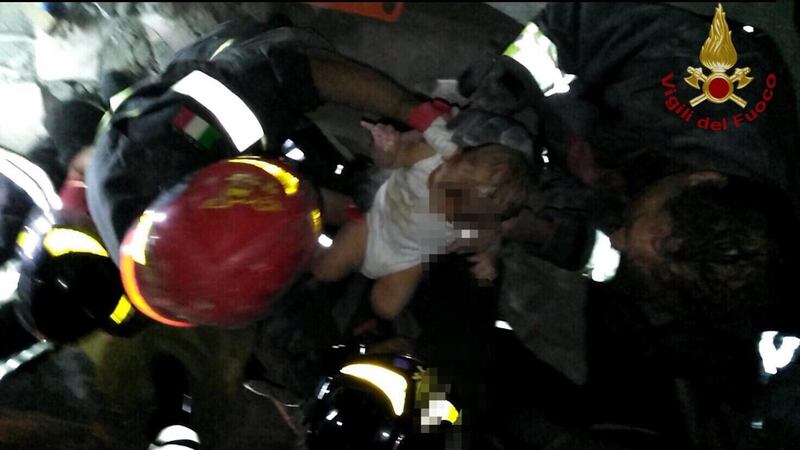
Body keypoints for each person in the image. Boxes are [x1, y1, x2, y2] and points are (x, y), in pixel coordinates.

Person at [86, 18, 444, 265]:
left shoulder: (205, 124)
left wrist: (413, 111)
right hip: (206, 178)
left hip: (236, 67)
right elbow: (294, 207)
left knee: (347, 73)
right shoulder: (196, 280)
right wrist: (353, 213)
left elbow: (296, 71)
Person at [312, 120, 534, 319]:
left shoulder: (475, 222)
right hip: (376, 226)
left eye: (455, 212)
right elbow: (390, 161)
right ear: (456, 159)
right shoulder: (427, 157)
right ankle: (324, 235)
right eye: (446, 186)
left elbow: (490, 236)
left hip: (409, 259)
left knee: (386, 309)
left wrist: (489, 256)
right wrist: (386, 148)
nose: (441, 206)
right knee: (326, 271)